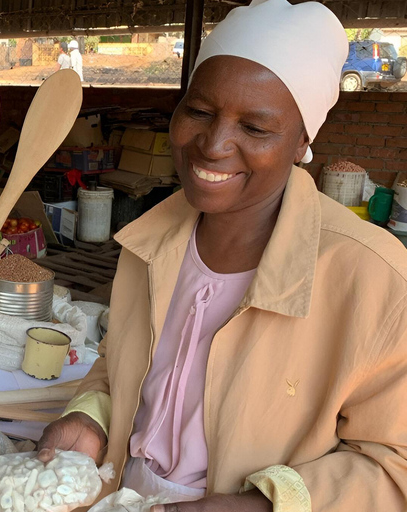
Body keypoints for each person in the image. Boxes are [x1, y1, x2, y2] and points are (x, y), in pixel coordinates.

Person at [37, 1, 407, 511]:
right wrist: (90, 418)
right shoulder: (149, 240)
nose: (213, 145)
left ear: (302, 142)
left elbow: (393, 465)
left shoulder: (374, 278)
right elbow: (120, 363)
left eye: (254, 128)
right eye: (199, 112)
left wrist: (264, 505)